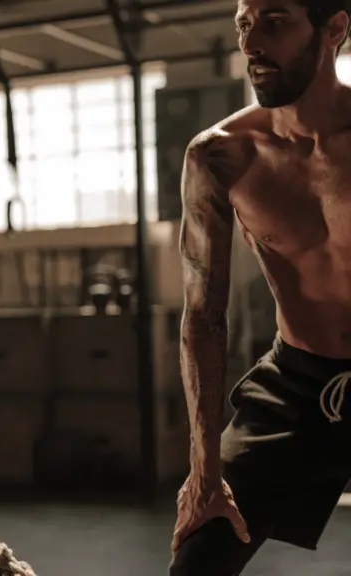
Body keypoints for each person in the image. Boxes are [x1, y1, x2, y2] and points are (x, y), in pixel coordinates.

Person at [170, 0, 351, 574]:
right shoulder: (221, 154)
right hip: (296, 385)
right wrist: (204, 471)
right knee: (197, 560)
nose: (250, 45)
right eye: (244, 26)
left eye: (274, 23)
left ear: (336, 30)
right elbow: (203, 316)